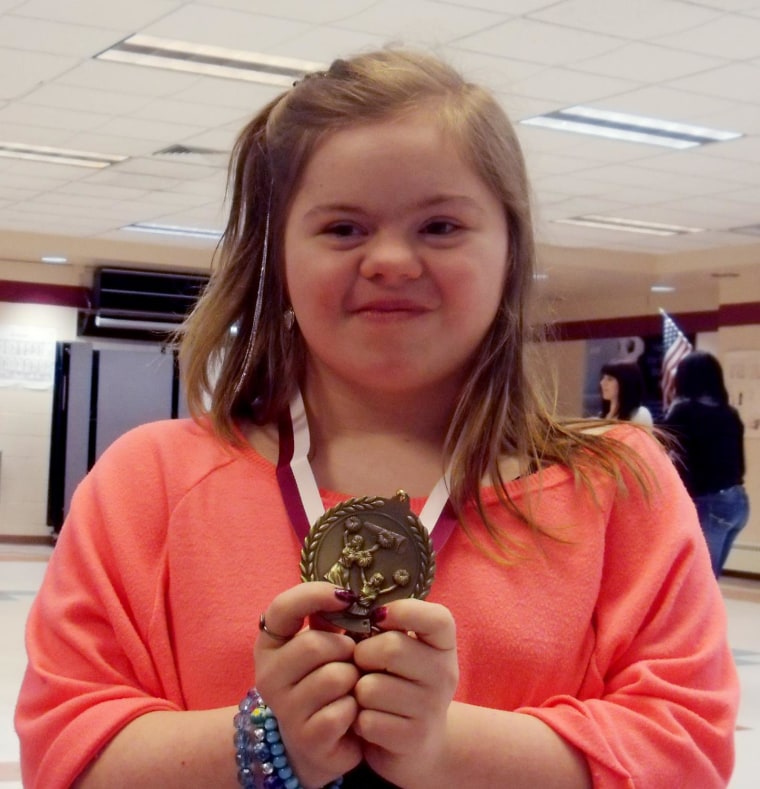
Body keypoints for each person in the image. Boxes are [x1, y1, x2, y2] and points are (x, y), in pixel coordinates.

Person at [15, 48, 738, 789]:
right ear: (277, 260)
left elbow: (684, 752)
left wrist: (444, 746)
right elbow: (65, 752)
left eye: (441, 226)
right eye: (343, 229)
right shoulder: (150, 483)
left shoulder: (617, 487)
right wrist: (263, 744)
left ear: (510, 250)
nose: (391, 259)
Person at [660, 350, 749, 577]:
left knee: (702, 580)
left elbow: (660, 442)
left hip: (710, 502)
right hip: (738, 502)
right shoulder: (730, 413)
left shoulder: (684, 411)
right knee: (710, 577)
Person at [599, 361, 653, 426]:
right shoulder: (601, 415)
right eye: (603, 378)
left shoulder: (640, 415)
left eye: (610, 379)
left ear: (626, 383)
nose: (602, 383)